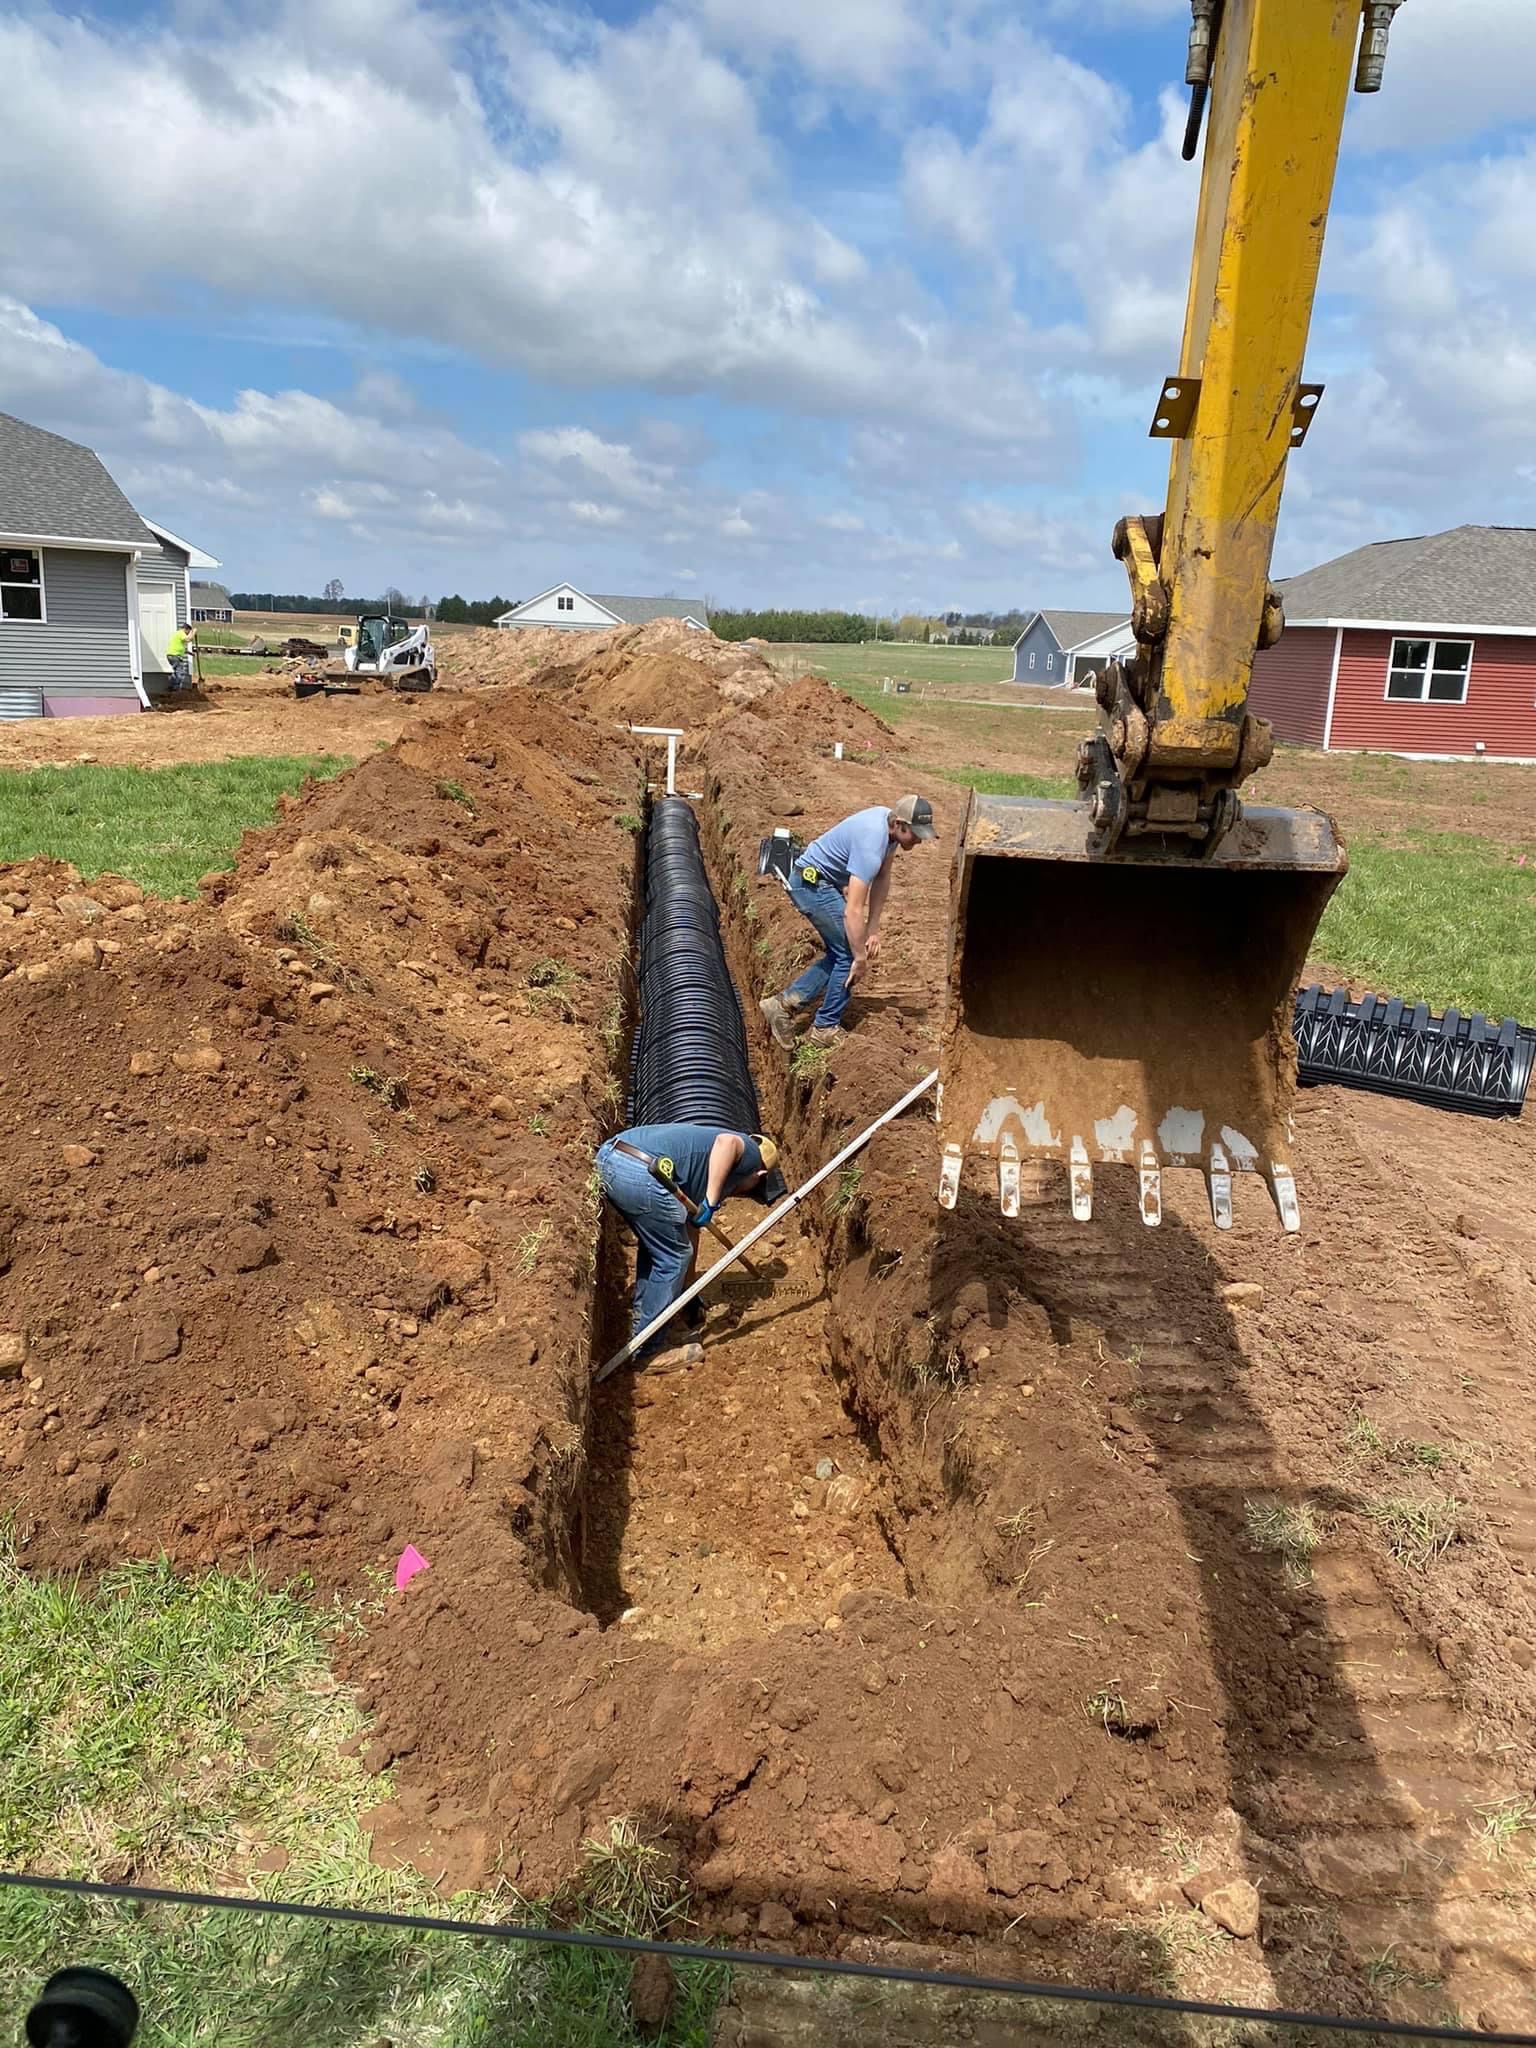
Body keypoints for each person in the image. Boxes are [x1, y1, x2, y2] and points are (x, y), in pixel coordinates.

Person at [760, 794, 937, 1049]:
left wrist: (873, 928)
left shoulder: (888, 832)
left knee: (842, 951)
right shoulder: (871, 844)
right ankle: (825, 1027)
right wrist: (860, 957)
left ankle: (782, 1005)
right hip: (811, 884)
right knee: (848, 954)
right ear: (900, 824)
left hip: (822, 883)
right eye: (916, 834)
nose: (920, 840)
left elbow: (883, 877)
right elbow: (852, 912)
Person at [595, 1123, 778, 1365]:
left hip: (613, 1156)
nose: (740, 1194)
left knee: (661, 1248)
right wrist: (711, 1202)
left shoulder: (703, 1166)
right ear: (760, 1175)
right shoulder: (751, 1155)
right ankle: (648, 1351)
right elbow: (728, 1143)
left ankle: (644, 1323)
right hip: (639, 1170)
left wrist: (689, 1291)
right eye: (751, 1190)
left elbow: (689, 1230)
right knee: (673, 1257)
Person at [166, 619, 196, 689]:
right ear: (186, 629)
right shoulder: (181, 633)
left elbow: (179, 647)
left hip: (171, 655)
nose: (188, 633)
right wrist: (194, 632)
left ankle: (172, 685)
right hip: (175, 656)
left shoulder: (177, 634)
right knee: (180, 672)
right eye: (188, 632)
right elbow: (188, 639)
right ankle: (176, 689)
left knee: (176, 671)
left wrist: (190, 653)